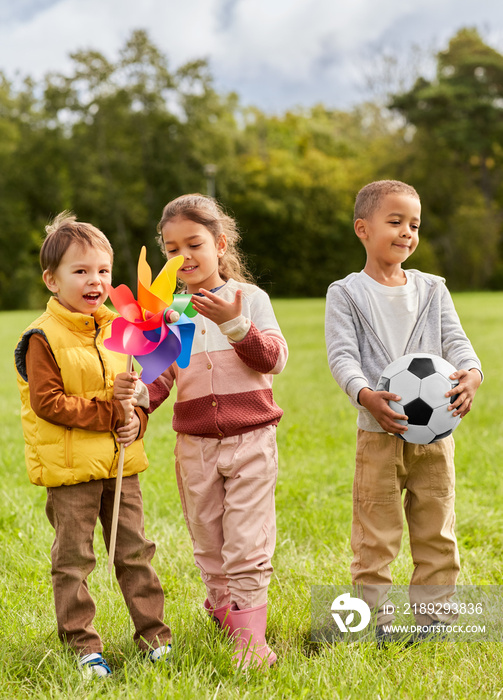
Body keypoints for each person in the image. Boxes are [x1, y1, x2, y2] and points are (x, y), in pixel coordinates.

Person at [116, 194, 288, 668]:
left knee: (246, 543)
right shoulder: (168, 312)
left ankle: (251, 644)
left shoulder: (249, 300)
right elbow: (162, 377)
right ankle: (223, 609)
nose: (182, 257)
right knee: (209, 541)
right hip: (195, 445)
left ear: (220, 242)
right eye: (171, 249)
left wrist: (234, 324)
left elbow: (272, 359)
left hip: (251, 439)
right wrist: (138, 400)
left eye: (194, 244)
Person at [325, 180, 482, 644]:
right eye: (395, 222)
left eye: (414, 224)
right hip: (378, 435)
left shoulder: (433, 288)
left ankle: (435, 621)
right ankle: (372, 621)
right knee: (375, 533)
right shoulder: (347, 292)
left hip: (436, 438)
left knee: (437, 529)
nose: (407, 232)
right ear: (362, 228)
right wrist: (366, 395)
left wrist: (471, 373)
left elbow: (455, 340)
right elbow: (342, 356)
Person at [14, 212, 171, 678]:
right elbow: (48, 403)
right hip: (71, 473)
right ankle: (83, 645)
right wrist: (109, 415)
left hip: (121, 463)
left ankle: (154, 637)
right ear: (52, 279)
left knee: (134, 552)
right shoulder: (42, 337)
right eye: (80, 271)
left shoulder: (124, 331)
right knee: (74, 559)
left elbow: (138, 390)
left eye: (103, 270)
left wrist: (136, 421)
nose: (95, 280)